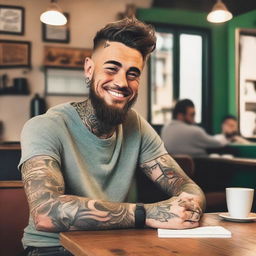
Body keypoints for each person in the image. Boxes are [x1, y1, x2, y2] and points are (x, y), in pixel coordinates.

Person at [19, 18, 206, 256]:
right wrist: (148, 214)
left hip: (118, 245)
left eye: (133, 74)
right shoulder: (44, 126)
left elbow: (186, 186)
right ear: (89, 69)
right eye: (111, 68)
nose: (121, 82)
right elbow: (46, 212)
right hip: (54, 249)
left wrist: (190, 205)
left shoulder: (136, 126)